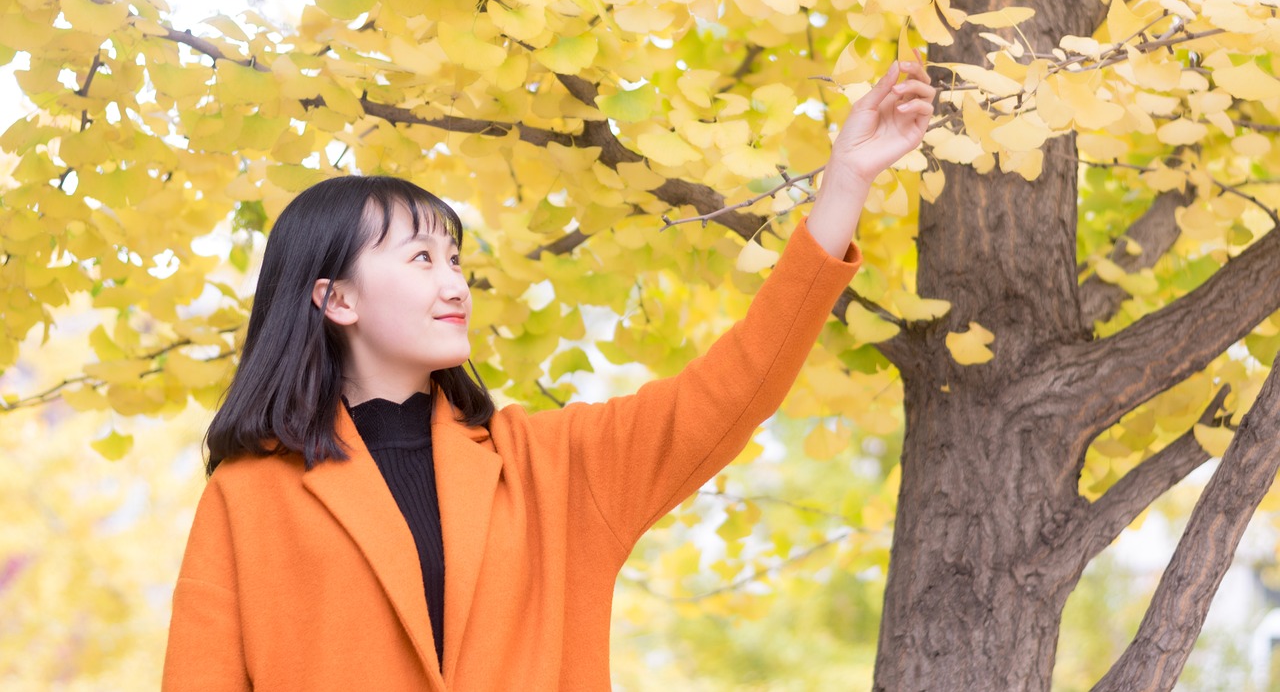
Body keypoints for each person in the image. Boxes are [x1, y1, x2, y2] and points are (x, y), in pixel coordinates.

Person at [162, 59, 935, 691]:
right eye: (421, 258)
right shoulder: (249, 493)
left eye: (456, 259)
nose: (456, 284)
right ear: (335, 298)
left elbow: (734, 387)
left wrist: (843, 188)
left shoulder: (549, 467)